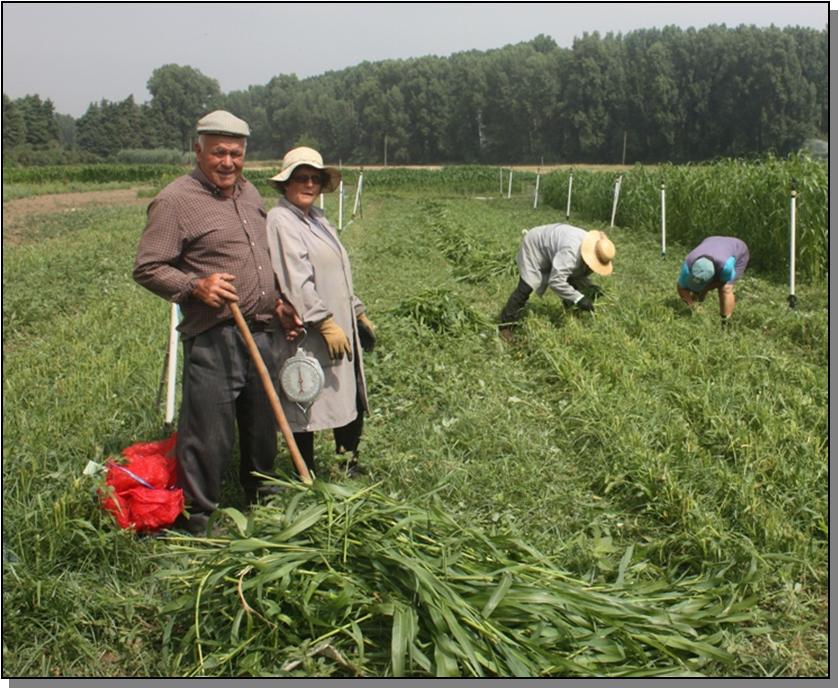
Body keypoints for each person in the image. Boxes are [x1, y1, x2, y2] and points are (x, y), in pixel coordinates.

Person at [133, 110, 301, 534]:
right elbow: (148, 267)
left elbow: (261, 258)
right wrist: (196, 287)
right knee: (209, 430)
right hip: (216, 333)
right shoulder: (175, 200)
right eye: (219, 153)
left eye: (236, 154)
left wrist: (279, 302)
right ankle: (199, 516)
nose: (228, 162)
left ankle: (261, 493)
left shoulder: (249, 195)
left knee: (262, 422)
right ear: (198, 150)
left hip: (264, 329)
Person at [266, 147, 375, 479]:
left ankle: (348, 464)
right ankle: (306, 474)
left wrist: (356, 311)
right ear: (286, 183)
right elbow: (296, 279)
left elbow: (338, 273)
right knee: (306, 396)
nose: (309, 184)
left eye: (315, 178)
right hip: (308, 329)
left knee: (346, 393)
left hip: (339, 324)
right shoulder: (281, 220)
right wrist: (324, 322)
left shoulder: (318, 218)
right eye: (301, 177)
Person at [499, 224, 615, 338]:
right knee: (525, 288)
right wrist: (579, 298)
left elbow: (575, 274)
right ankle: (506, 326)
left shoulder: (594, 245)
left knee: (574, 281)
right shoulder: (571, 254)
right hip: (534, 245)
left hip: (554, 247)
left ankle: (571, 313)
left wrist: (588, 288)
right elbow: (555, 281)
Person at [676, 236, 750, 327]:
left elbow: (721, 282)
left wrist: (705, 289)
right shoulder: (688, 265)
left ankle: (725, 323)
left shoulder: (726, 267)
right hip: (711, 240)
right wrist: (693, 306)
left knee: (725, 289)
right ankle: (698, 298)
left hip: (738, 248)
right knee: (700, 289)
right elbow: (681, 287)